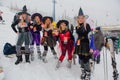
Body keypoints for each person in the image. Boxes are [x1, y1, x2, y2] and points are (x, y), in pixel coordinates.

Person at [73, 8, 91, 80]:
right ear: (77, 19)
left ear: (84, 19)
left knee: (86, 59)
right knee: (81, 59)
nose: (80, 19)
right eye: (79, 18)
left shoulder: (87, 25)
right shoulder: (76, 27)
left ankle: (88, 73)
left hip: (85, 45)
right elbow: (76, 37)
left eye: (82, 18)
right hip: (79, 44)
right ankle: (83, 72)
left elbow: (89, 35)